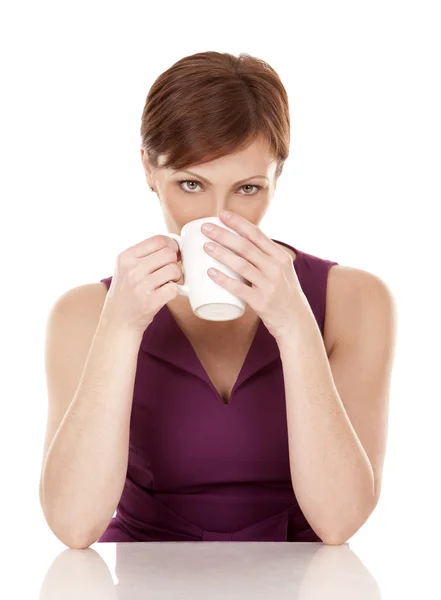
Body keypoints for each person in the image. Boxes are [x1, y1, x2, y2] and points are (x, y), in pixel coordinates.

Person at [39, 51, 396, 549]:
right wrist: (120, 330)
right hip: (145, 584)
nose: (219, 215)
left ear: (277, 178)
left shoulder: (355, 300)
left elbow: (339, 523)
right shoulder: (83, 314)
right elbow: (75, 529)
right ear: (148, 168)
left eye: (248, 188)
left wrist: (295, 326)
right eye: (191, 184)